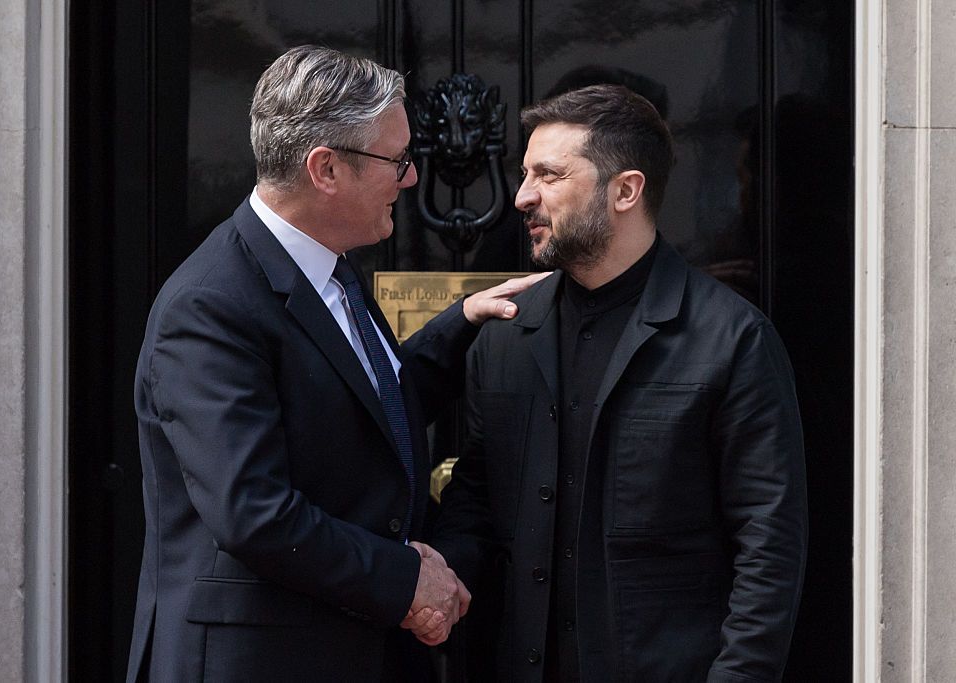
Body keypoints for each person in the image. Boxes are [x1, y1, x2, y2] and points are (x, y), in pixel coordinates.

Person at [125, 45, 544, 683]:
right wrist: (407, 581)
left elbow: (357, 410)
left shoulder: (328, 266)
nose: (411, 178)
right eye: (397, 160)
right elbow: (253, 512)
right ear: (325, 168)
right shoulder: (211, 304)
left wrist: (460, 322)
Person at [433, 84, 807, 681]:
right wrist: (435, 585)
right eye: (525, 174)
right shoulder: (505, 336)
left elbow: (769, 542)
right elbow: (474, 501)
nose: (523, 196)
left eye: (549, 175)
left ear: (625, 190)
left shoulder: (732, 339)